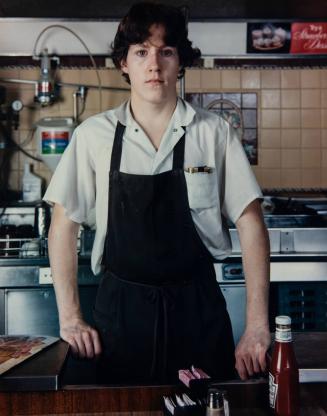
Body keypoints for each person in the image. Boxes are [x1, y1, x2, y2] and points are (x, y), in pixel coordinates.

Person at [44, 2, 270, 384]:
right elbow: (63, 226)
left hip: (198, 314)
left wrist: (257, 326)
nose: (154, 64)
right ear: (123, 63)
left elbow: (251, 224)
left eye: (166, 51)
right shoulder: (92, 136)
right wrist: (70, 318)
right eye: (142, 52)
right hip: (120, 319)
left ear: (179, 61)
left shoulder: (213, 132)